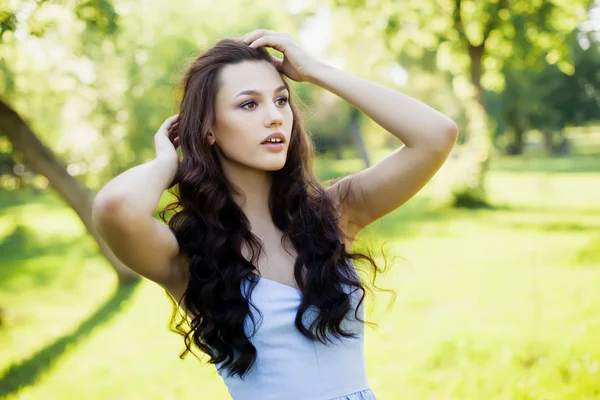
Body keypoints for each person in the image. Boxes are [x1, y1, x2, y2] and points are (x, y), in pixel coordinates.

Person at [91, 29, 458, 400]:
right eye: (249, 105)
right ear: (208, 129)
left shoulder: (332, 213)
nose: (275, 118)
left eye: (281, 101)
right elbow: (116, 207)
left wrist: (316, 71)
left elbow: (435, 136)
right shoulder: (189, 253)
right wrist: (169, 161)